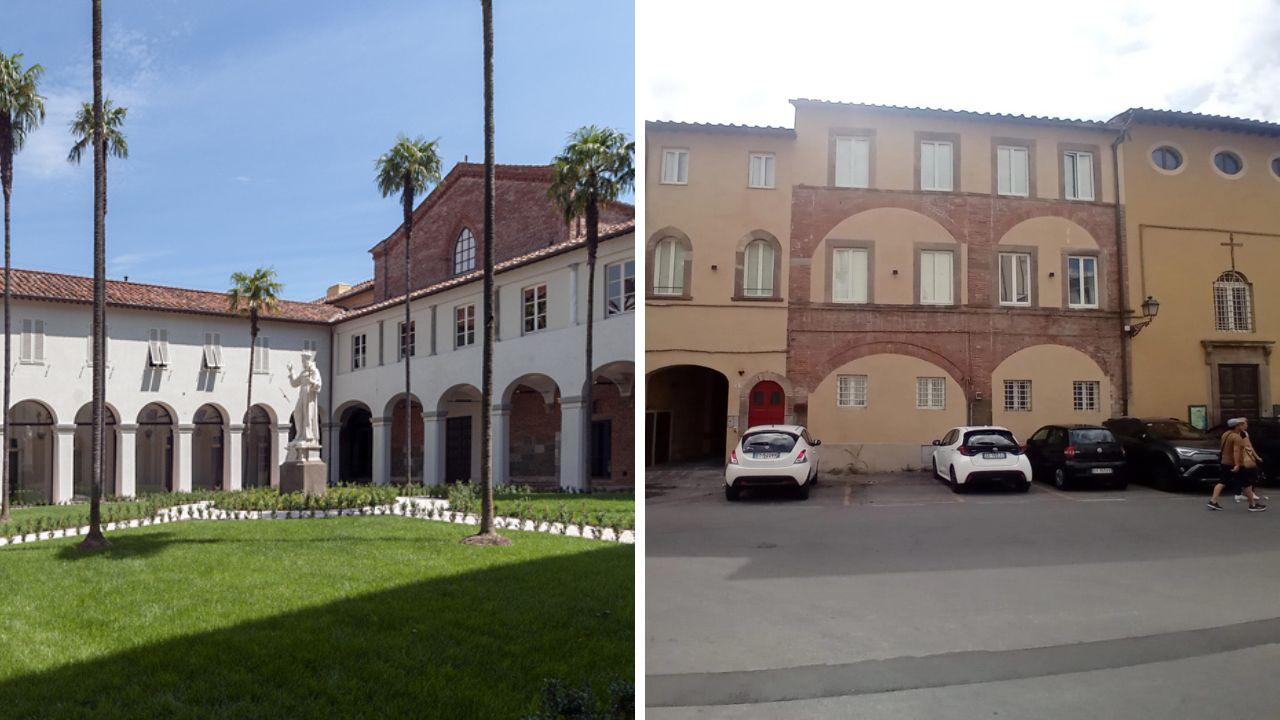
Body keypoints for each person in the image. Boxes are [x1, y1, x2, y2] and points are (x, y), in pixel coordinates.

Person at [1208, 418, 1267, 512]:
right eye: (1239, 425)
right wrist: (1237, 465)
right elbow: (1236, 451)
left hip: (1224, 462)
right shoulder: (1236, 437)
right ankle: (1252, 505)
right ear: (1236, 426)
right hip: (1235, 463)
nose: (1241, 426)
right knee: (1246, 484)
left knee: (1222, 481)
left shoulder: (1225, 434)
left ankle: (1213, 501)